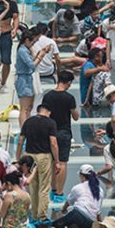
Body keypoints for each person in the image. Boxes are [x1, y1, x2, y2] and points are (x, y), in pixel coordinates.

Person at [16, 104, 60, 220]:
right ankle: (42, 215)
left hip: (29, 156)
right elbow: (53, 143)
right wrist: (57, 161)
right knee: (44, 187)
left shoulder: (28, 122)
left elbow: (20, 141)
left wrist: (18, 159)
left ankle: (34, 215)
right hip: (43, 156)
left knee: (33, 187)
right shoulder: (51, 123)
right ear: (48, 112)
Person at [43, 70, 80, 203]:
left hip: (49, 132)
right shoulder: (69, 98)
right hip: (64, 132)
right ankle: (59, 192)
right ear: (69, 82)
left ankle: (53, 189)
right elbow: (76, 117)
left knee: (53, 162)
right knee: (62, 162)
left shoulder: (47, 96)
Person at [16, 29, 38, 126]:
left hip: (28, 78)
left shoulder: (26, 50)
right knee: (24, 109)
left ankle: (28, 127)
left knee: (29, 107)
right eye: (32, 42)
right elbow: (32, 65)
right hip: (23, 80)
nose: (33, 45)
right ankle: (24, 130)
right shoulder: (22, 51)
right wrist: (40, 56)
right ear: (27, 40)